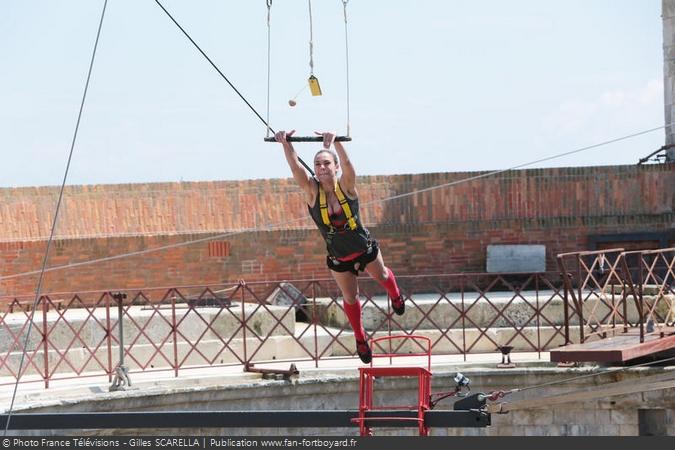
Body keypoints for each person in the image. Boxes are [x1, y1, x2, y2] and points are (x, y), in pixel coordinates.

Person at [275, 130, 404, 363]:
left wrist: (337, 143)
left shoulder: (346, 186)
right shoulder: (312, 192)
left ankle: (395, 294)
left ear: (335, 167)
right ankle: (360, 337)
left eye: (326, 163)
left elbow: (348, 163)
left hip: (363, 248)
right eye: (317, 164)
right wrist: (286, 143)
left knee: (382, 274)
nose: (321, 167)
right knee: (351, 296)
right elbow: (296, 169)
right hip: (339, 257)